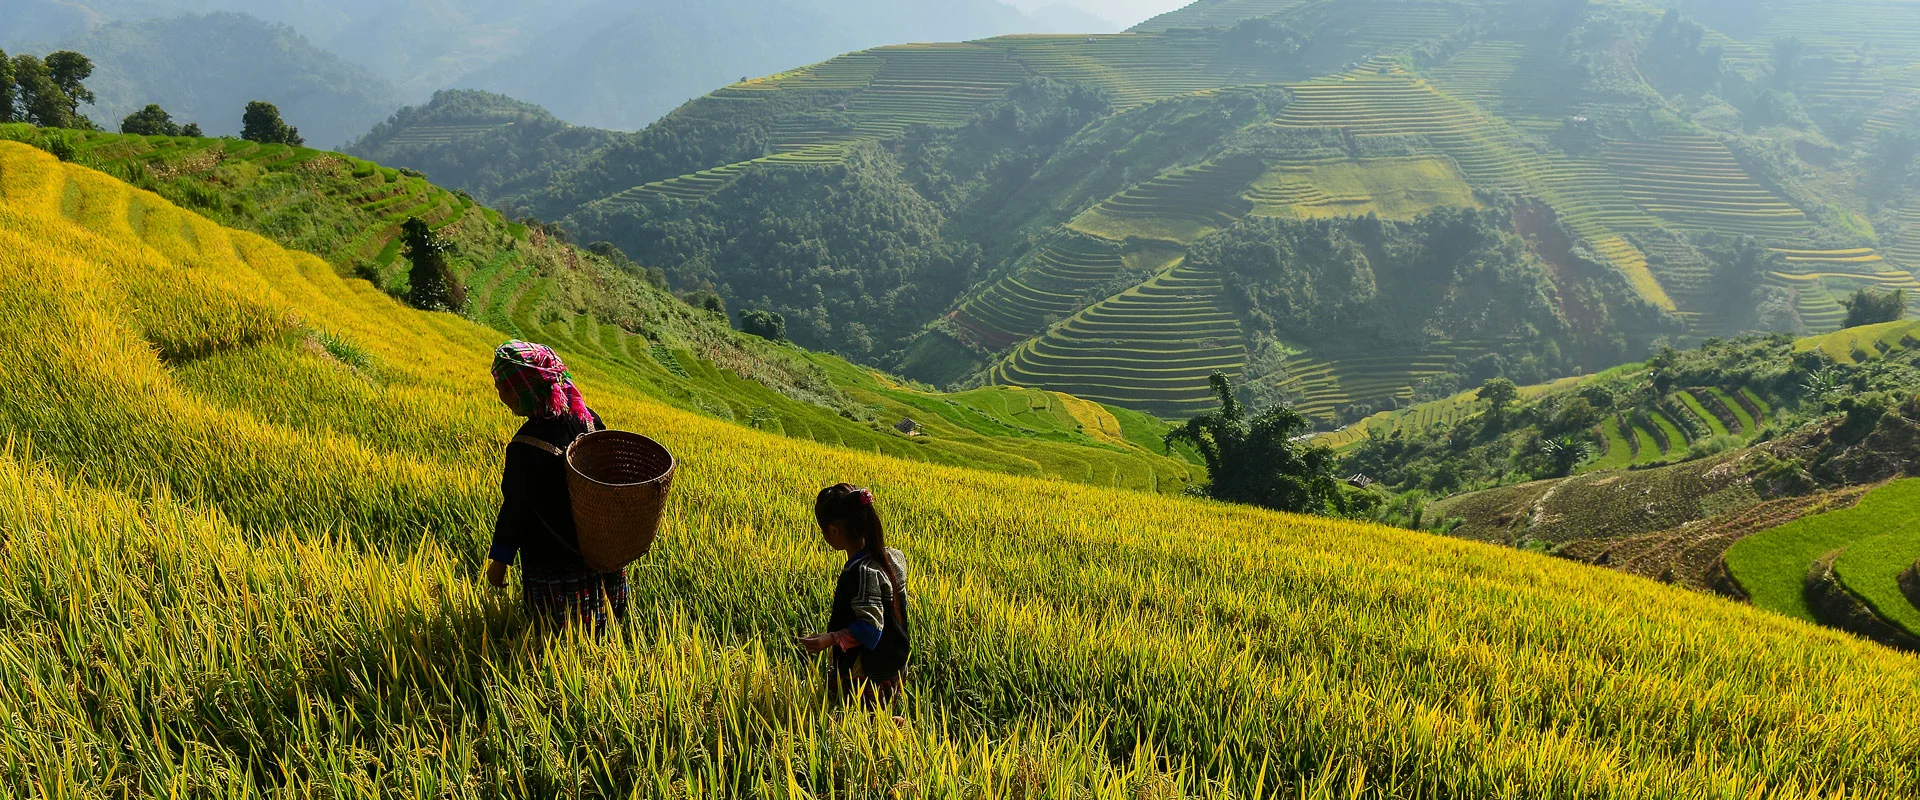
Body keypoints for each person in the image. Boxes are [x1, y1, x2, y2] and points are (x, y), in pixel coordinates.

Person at [484, 340, 627, 630]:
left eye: (505, 387)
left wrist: (499, 562)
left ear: (526, 389)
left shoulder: (525, 447)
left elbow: (515, 511)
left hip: (553, 559)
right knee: (605, 629)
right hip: (597, 548)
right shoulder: (588, 419)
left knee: (553, 638)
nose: (500, 394)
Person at [799, 484, 912, 705]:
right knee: (879, 720)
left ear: (833, 531)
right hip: (895, 665)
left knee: (856, 724)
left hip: (868, 675)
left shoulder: (861, 572)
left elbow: (870, 630)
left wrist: (829, 639)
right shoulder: (893, 558)